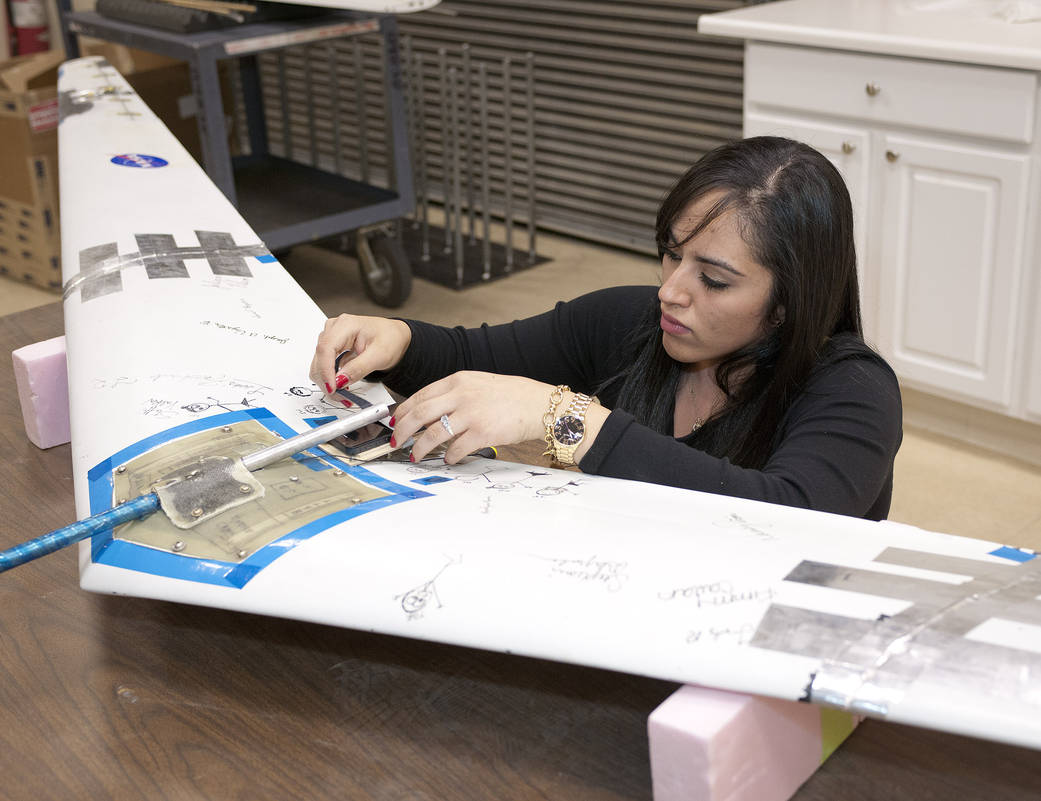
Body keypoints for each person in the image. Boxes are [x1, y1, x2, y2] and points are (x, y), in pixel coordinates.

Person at [310, 137, 902, 520]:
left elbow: (786, 516)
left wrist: (573, 422)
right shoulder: (631, 321)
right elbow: (472, 354)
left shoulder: (854, 390)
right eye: (672, 255)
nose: (671, 291)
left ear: (789, 303)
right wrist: (398, 339)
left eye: (714, 280)